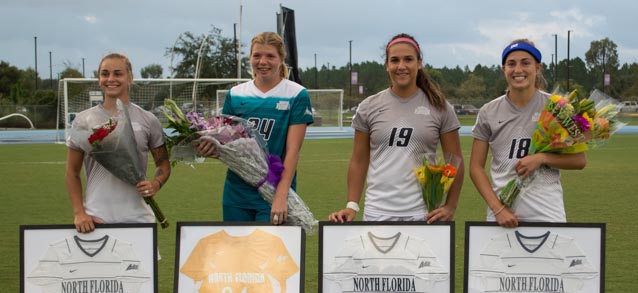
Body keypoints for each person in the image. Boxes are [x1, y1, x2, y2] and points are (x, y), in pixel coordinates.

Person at [328, 33, 464, 223]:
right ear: (387, 65)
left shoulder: (440, 106)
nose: (401, 66)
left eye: (408, 59)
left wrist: (450, 206)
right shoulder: (369, 106)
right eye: (395, 60)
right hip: (377, 212)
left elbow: (455, 160)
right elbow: (359, 160)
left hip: (423, 214)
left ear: (419, 63)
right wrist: (352, 205)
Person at [197, 32, 314, 225]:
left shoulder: (296, 94)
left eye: (270, 56)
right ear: (250, 57)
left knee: (269, 253)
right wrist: (209, 148)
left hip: (274, 191)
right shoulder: (235, 94)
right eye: (257, 55)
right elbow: (227, 144)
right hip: (237, 193)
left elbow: (293, 151)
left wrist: (280, 196)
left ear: (281, 59)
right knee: (238, 253)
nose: (263, 61)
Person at [469, 39, 586, 228]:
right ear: (503, 69)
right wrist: (498, 209)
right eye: (511, 64)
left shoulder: (558, 107)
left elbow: (579, 160)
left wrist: (541, 158)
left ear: (538, 67)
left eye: (525, 62)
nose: (518, 70)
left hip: (547, 212)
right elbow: (475, 167)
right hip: (501, 215)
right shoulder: (488, 111)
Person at [65, 53, 171, 233]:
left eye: (118, 73)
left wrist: (156, 183)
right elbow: (71, 172)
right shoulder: (83, 121)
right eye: (105, 74)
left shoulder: (148, 119)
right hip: (96, 218)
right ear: (99, 79)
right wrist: (79, 212)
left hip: (138, 218)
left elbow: (163, 164)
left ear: (130, 77)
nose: (111, 79)